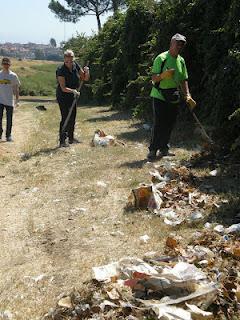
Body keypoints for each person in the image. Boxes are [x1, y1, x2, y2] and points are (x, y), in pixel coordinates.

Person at [147, 33, 196, 160]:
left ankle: (164, 148)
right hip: (159, 94)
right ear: (171, 43)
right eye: (178, 43)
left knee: (170, 123)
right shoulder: (161, 58)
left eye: (182, 44)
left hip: (174, 94)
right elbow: (153, 78)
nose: (179, 46)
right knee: (159, 123)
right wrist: (163, 75)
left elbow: (184, 80)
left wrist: (188, 95)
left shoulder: (181, 60)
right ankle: (153, 149)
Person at [56, 49, 90, 147]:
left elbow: (85, 78)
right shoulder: (60, 70)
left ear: (73, 59)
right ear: (64, 60)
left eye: (71, 61)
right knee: (65, 116)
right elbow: (63, 88)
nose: (69, 63)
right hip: (63, 95)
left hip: (73, 95)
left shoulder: (76, 66)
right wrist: (73, 91)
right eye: (67, 61)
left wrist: (87, 72)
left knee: (73, 117)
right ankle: (62, 140)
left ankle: (71, 138)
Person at [0, 57, 20, 142]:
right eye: (4, 64)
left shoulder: (13, 75)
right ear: (2, 64)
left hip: (9, 101)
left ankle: (8, 135)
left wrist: (17, 99)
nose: (6, 65)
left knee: (9, 119)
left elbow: (16, 88)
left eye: (7, 64)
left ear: (10, 64)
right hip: (0, 100)